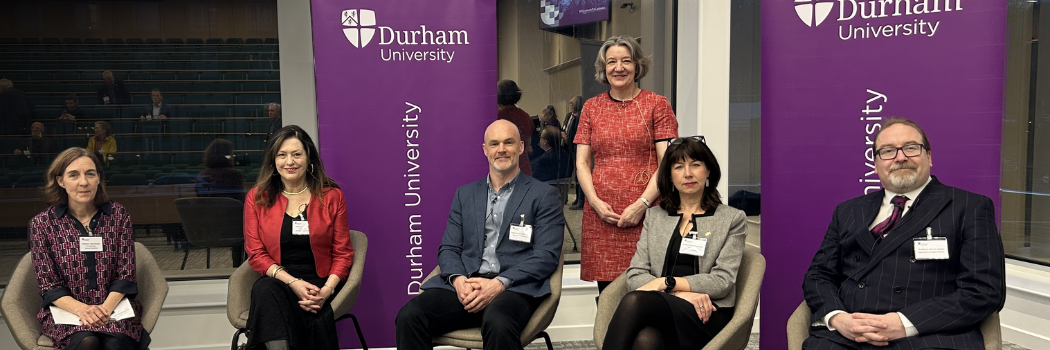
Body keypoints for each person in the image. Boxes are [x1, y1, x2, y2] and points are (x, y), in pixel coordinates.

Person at [802, 117, 1006, 349]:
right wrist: (837, 318)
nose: (900, 157)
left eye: (911, 148)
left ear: (929, 157)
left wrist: (904, 322)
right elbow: (818, 275)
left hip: (929, 336)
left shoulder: (969, 207)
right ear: (876, 164)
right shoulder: (847, 210)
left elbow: (984, 291)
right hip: (850, 335)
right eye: (887, 151)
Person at [395, 120, 565, 350]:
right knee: (410, 316)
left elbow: (546, 256)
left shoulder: (543, 195)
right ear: (485, 150)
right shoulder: (465, 195)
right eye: (494, 144)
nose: (501, 149)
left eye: (508, 142)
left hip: (515, 288)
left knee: (498, 322)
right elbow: (449, 249)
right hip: (468, 285)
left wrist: (498, 284)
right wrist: (458, 281)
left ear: (521, 147)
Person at [603, 136, 746, 350]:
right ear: (669, 176)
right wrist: (679, 294)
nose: (688, 173)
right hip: (663, 308)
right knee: (646, 340)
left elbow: (722, 281)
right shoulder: (655, 216)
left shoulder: (732, 219)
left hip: (707, 312)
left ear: (708, 171)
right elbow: (635, 275)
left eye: (695, 165)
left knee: (635, 301)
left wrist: (665, 283)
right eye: (679, 167)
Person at [575, 35, 679, 294]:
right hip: (601, 215)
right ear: (603, 68)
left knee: (647, 291)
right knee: (608, 293)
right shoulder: (591, 107)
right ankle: (609, 336)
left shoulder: (657, 104)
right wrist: (596, 203)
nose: (618, 67)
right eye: (611, 62)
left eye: (626, 61)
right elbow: (582, 163)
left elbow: (666, 162)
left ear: (637, 66)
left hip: (648, 210)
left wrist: (641, 205)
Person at [242, 125, 354, 350]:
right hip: (279, 280)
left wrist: (326, 291)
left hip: (318, 284)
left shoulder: (331, 196)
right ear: (273, 161)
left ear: (309, 157)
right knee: (266, 290)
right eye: (282, 155)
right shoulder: (257, 197)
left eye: (296, 154)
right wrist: (292, 282)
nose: (289, 162)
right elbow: (255, 253)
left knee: (270, 298)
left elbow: (343, 254)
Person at [28, 147, 151, 350]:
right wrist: (83, 310)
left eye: (90, 174)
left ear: (98, 179)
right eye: (74, 175)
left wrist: (103, 310)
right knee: (87, 341)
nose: (83, 182)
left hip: (113, 307)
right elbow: (48, 284)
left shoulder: (118, 216)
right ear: (60, 181)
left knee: (116, 342)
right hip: (66, 311)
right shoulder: (42, 224)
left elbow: (126, 274)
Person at [496, 79, 533, 176]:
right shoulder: (525, 116)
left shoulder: (498, 117)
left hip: (504, 168)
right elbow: (528, 143)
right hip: (524, 166)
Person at [561, 95, 584, 209]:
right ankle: (576, 198)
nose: (570, 105)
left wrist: (568, 138)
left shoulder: (580, 117)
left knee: (580, 175)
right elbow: (564, 128)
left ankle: (581, 200)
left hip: (577, 149)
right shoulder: (568, 116)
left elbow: (578, 134)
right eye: (570, 103)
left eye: (572, 103)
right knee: (573, 174)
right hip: (567, 149)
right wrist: (563, 134)